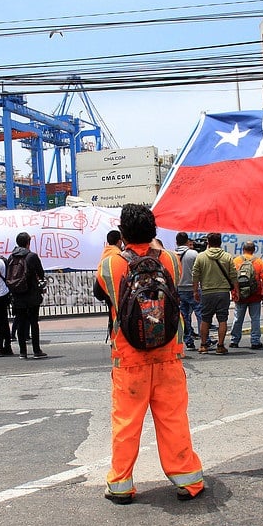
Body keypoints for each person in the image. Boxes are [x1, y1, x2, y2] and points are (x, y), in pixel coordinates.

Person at [94, 204, 204, 505]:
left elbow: (101, 288)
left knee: (126, 424)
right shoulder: (169, 259)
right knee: (173, 420)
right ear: (154, 231)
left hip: (130, 360)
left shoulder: (110, 265)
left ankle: (120, 485)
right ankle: (188, 479)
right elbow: (162, 255)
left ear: (123, 233)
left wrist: (112, 248)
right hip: (168, 356)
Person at [192, 232, 236, 355]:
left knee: (205, 319)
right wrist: (236, 291)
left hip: (207, 292)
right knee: (222, 319)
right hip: (223, 292)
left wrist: (195, 291)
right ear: (220, 242)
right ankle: (220, 346)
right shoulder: (227, 256)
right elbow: (233, 275)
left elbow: (195, 275)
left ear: (208, 243)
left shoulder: (201, 257)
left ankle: (203, 345)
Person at [8, 232, 47, 359]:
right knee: (33, 322)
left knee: (20, 322)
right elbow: (41, 274)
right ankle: (36, 350)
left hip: (17, 294)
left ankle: (22, 352)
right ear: (28, 243)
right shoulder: (32, 256)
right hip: (31, 293)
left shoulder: (11, 257)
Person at [229, 241, 263, 350]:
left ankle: (234, 340)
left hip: (240, 295)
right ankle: (255, 341)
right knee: (255, 318)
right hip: (255, 295)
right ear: (254, 250)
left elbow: (232, 278)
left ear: (243, 249)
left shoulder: (236, 261)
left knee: (238, 318)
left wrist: (234, 293)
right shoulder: (259, 262)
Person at [174, 232, 202, 351]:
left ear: (176, 242)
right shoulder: (193, 254)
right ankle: (204, 339)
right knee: (200, 313)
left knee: (184, 316)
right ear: (187, 241)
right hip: (193, 288)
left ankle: (188, 340)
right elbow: (199, 271)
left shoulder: (171, 255)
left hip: (179, 289)